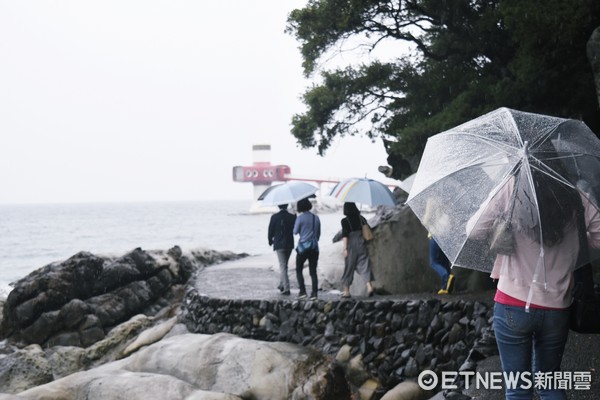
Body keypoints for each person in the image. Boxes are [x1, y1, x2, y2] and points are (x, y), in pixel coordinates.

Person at [467, 170, 600, 399]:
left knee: (518, 388)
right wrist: (574, 244)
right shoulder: (575, 193)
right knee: (549, 383)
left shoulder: (512, 185)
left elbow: (474, 230)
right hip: (557, 308)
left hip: (512, 304)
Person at [340, 202, 374, 298]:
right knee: (364, 266)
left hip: (351, 245)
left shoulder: (345, 221)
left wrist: (345, 248)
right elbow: (368, 229)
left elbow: (345, 235)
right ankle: (369, 287)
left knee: (349, 268)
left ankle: (346, 291)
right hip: (362, 243)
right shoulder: (361, 218)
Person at [293, 197, 321, 299]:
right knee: (313, 271)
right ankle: (314, 293)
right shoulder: (316, 218)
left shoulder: (300, 218)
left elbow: (295, 232)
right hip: (314, 247)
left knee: (299, 269)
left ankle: (302, 291)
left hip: (303, 248)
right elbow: (318, 234)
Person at [268, 204, 296, 296]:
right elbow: (295, 230)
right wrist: (295, 216)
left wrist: (270, 241)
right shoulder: (292, 217)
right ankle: (281, 285)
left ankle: (286, 288)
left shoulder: (274, 217)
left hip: (279, 244)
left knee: (283, 266)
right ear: (287, 206)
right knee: (284, 265)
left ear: (278, 206)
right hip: (289, 244)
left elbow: (270, 230)